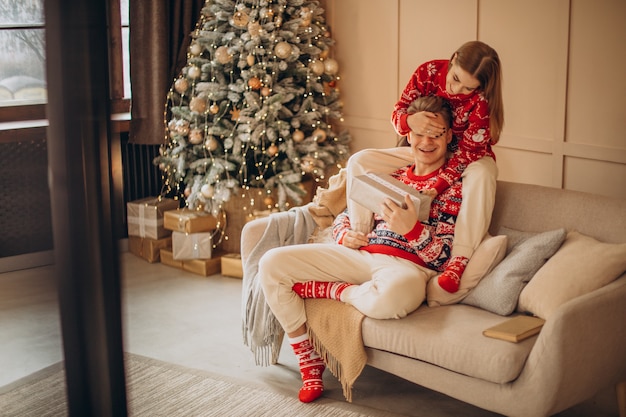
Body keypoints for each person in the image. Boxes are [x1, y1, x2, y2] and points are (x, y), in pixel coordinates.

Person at [259, 96, 474, 404]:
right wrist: (344, 232)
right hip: (360, 256)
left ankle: (331, 291)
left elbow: (443, 259)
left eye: (435, 133)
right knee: (271, 263)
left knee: (392, 299)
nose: (426, 142)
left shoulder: (455, 189)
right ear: (407, 135)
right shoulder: (392, 175)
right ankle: (308, 360)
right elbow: (347, 213)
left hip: (407, 268)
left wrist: (412, 229)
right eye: (419, 133)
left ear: (449, 135)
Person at [346, 40, 503, 294]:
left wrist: (437, 185)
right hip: (425, 147)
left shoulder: (481, 102)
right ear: (452, 60)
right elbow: (398, 114)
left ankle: (458, 261)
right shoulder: (427, 72)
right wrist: (410, 120)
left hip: (466, 156)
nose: (457, 90)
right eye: (454, 79)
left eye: (467, 88)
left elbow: (465, 156)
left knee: (484, 172)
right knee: (360, 161)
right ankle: (359, 234)